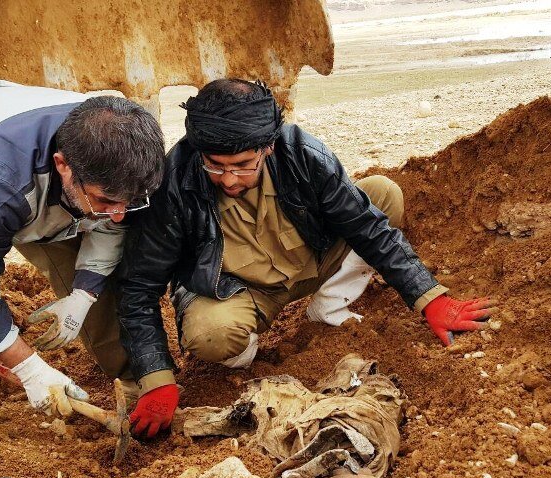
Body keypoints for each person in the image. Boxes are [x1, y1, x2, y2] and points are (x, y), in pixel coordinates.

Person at [118, 79, 494, 437]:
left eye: (242, 166)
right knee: (211, 339)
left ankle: (329, 308)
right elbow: (140, 285)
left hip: (313, 262)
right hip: (237, 291)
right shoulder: (174, 181)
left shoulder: (302, 154)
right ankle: (242, 349)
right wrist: (157, 378)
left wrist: (429, 296)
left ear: (268, 148)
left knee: (382, 195)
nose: (229, 180)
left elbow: (368, 228)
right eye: (215, 166)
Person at [0, 80, 164, 413]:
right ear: (63, 165)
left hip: (38, 181)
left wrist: (84, 294)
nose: (118, 216)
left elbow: (115, 221)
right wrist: (30, 369)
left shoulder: (126, 156)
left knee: (102, 281)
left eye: (129, 202)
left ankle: (132, 384)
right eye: (106, 200)